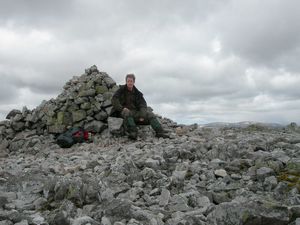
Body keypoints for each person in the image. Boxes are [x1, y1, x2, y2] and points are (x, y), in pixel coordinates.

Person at [112, 73, 169, 139]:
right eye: (128, 81)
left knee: (150, 114)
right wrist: (122, 108)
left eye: (131, 81)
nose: (130, 83)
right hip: (123, 112)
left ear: (134, 82)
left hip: (135, 113)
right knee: (127, 112)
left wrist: (142, 115)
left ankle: (160, 132)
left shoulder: (137, 93)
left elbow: (143, 104)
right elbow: (114, 100)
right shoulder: (121, 90)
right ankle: (133, 133)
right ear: (126, 81)